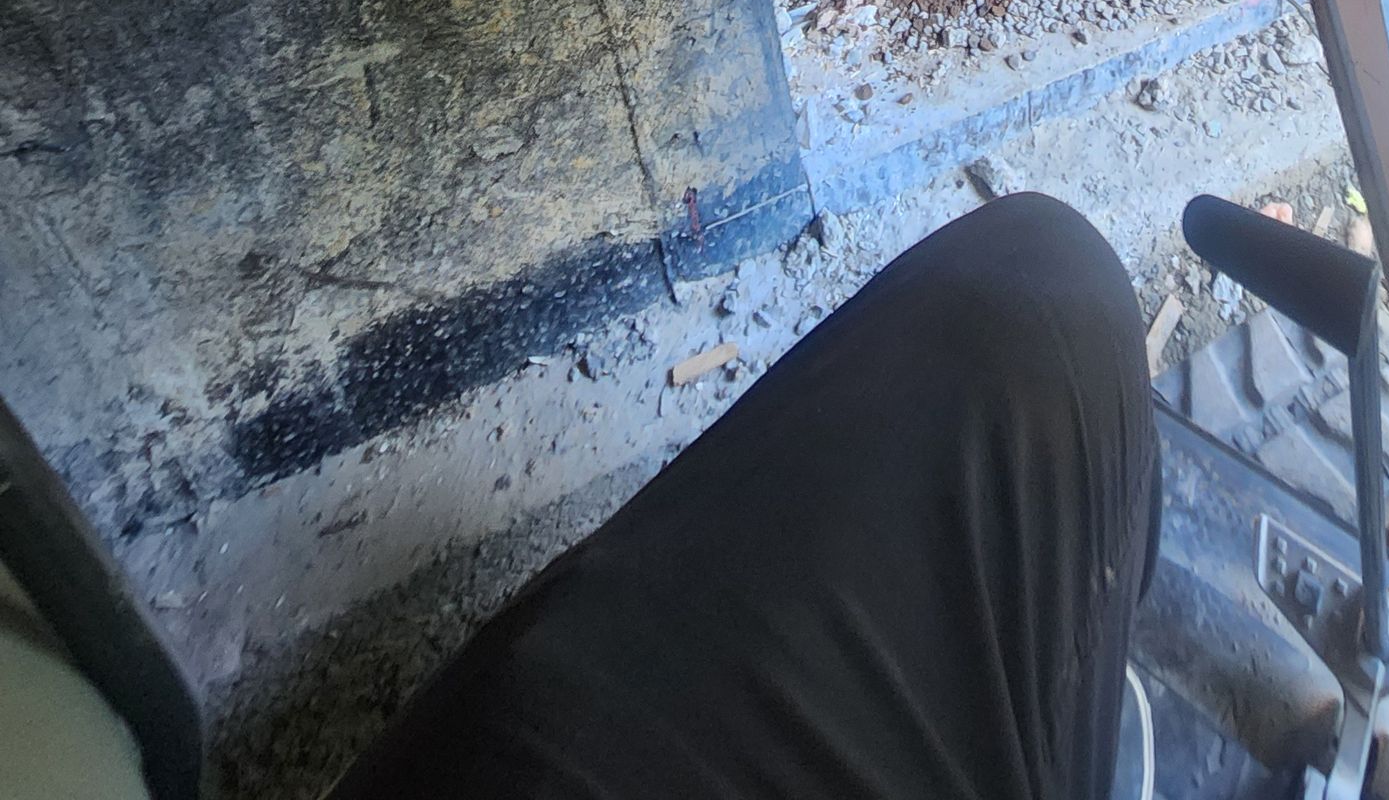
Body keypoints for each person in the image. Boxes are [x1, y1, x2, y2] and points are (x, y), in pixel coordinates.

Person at [330, 194, 1161, 800]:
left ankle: (1066, 674)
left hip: (514, 750)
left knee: (1040, 271)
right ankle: (1073, 670)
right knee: (1046, 285)